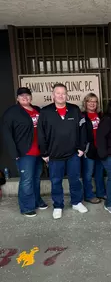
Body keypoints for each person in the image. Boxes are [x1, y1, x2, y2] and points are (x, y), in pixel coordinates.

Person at [37, 83, 88, 219]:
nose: (61, 95)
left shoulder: (74, 109)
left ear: (67, 95)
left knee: (75, 180)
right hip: (54, 155)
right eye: (58, 93)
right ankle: (58, 205)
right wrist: (44, 153)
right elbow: (40, 134)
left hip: (73, 154)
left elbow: (83, 130)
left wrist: (82, 148)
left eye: (63, 93)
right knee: (56, 182)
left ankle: (76, 202)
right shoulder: (45, 112)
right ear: (53, 95)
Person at [2, 87, 47, 217]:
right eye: (22, 96)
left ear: (31, 97)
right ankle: (27, 207)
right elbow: (6, 134)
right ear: (17, 98)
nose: (25, 98)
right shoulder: (11, 112)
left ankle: (37, 200)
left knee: (37, 178)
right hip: (24, 153)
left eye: (27, 95)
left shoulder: (37, 110)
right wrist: (14, 152)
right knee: (26, 180)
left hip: (39, 152)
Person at [81, 93, 105, 204]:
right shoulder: (82, 116)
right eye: (89, 101)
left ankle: (101, 193)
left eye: (94, 101)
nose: (92, 103)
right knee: (88, 173)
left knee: (99, 172)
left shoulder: (100, 115)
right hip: (88, 149)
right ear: (85, 103)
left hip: (100, 149)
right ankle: (89, 195)